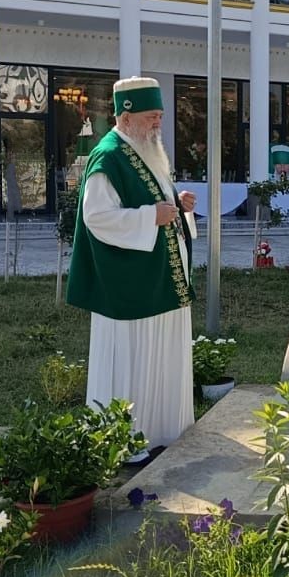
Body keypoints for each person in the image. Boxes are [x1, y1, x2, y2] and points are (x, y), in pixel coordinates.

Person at [65, 78, 198, 453]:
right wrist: (149, 216)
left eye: (159, 116)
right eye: (151, 116)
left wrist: (177, 203)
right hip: (130, 284)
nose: (158, 123)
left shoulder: (144, 149)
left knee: (163, 358)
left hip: (160, 278)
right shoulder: (108, 156)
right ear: (125, 116)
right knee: (133, 360)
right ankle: (125, 441)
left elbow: (151, 197)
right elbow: (97, 216)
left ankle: (165, 433)